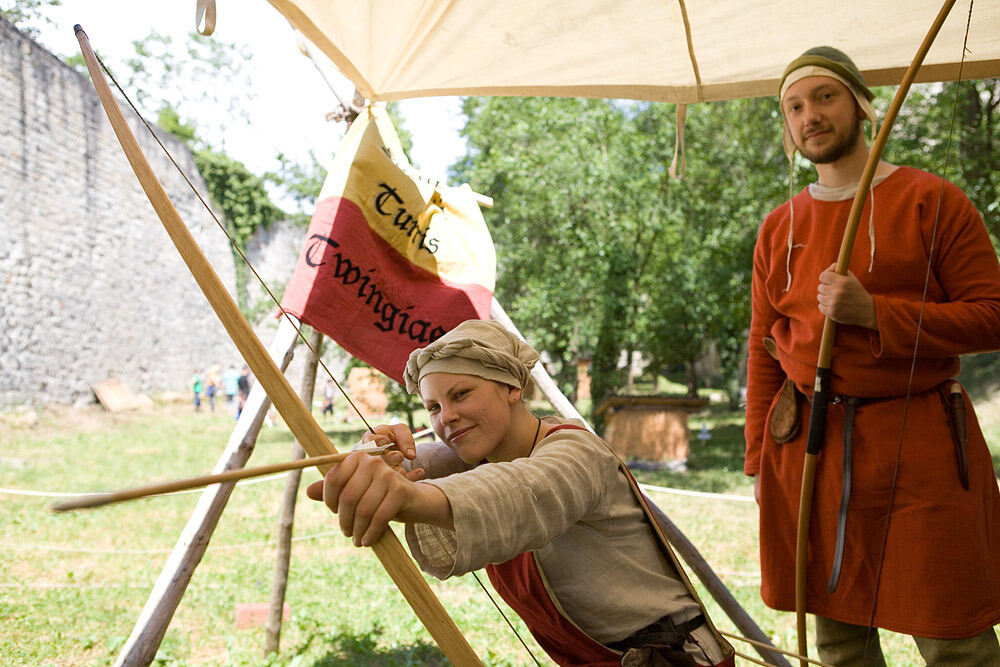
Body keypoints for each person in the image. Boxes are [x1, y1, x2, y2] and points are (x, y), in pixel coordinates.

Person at [744, 46, 1000, 665]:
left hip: (922, 447)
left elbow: (992, 316)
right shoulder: (780, 226)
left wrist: (878, 314)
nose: (810, 116)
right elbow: (762, 346)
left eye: (825, 97)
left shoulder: (931, 200)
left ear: (861, 105)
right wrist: (757, 460)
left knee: (953, 640)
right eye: (795, 106)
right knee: (839, 643)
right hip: (812, 448)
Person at [307, 319, 735, 666]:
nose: (447, 417)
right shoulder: (482, 456)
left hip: (673, 660)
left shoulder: (575, 452)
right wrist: (383, 457)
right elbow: (434, 461)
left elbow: (526, 492)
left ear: (513, 388)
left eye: (461, 395)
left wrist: (411, 499)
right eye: (434, 407)